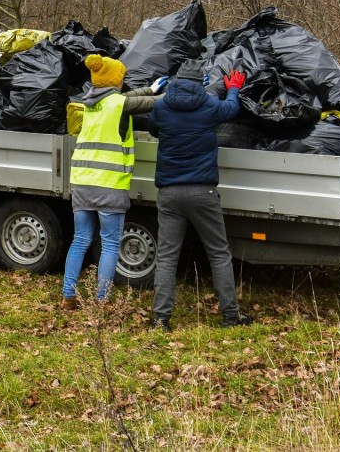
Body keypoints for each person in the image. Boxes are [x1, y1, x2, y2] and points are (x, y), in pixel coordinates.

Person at [148, 59, 252, 331]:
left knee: (168, 257)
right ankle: (231, 316)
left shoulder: (162, 106)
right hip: (203, 191)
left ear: (176, 80)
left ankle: (160, 320)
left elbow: (153, 129)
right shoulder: (208, 105)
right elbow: (232, 109)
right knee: (218, 254)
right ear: (200, 83)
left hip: (169, 192)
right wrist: (232, 88)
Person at [60, 54, 166, 308]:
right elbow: (149, 104)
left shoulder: (91, 103)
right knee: (109, 245)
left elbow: (128, 98)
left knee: (81, 240)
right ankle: (101, 300)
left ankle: (68, 297)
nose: (124, 82)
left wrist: (150, 88)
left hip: (82, 183)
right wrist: (180, 90)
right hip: (108, 184)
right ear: (115, 81)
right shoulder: (117, 105)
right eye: (122, 78)